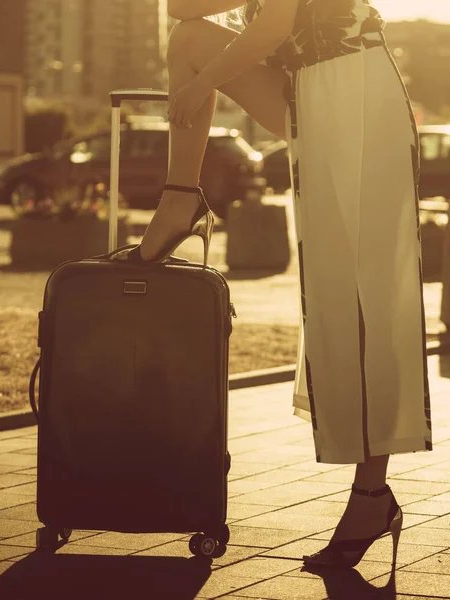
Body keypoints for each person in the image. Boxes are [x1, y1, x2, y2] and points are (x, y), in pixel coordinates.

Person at [125, 0, 432, 570]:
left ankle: (372, 495)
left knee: (364, 296)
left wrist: (202, 89)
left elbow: (273, 25)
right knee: (190, 38)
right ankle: (180, 198)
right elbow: (181, 9)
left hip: (357, 86)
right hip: (308, 90)